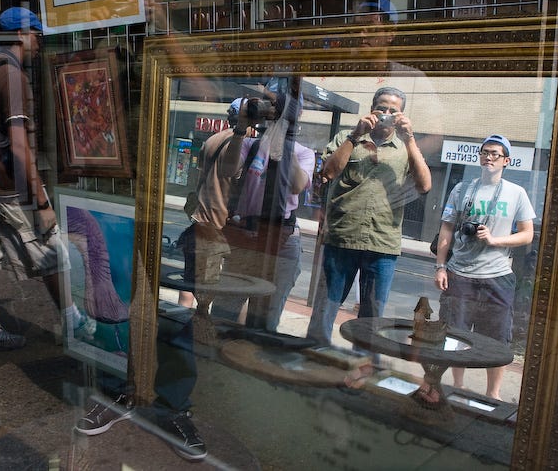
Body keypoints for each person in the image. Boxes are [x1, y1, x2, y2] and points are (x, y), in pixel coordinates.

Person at [0, 7, 90, 356]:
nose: (38, 42)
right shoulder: (12, 75)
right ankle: (73, 320)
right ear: (22, 34)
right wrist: (40, 201)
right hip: (10, 185)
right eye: (36, 34)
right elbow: (20, 145)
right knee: (50, 249)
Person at [307, 86, 432, 345]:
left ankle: (362, 369)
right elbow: (327, 173)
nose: (386, 114)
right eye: (382, 108)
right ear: (372, 109)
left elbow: (424, 186)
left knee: (372, 316)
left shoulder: (406, 147)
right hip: (342, 237)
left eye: (393, 111)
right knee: (326, 306)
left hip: (382, 243)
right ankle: (314, 356)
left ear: (401, 115)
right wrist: (355, 135)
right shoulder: (346, 137)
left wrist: (410, 139)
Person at [433, 135, 534, 400]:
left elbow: (527, 235)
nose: (489, 157)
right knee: (455, 334)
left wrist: (495, 240)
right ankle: (458, 384)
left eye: (495, 154)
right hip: (461, 273)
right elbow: (446, 229)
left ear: (506, 161)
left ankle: (494, 394)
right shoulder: (461, 189)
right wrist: (441, 267)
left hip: (497, 277)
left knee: (497, 339)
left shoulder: (516, 193)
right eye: (485, 152)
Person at [211, 77, 314, 332]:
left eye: (276, 106)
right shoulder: (250, 143)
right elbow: (227, 169)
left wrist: (284, 133)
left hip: (282, 241)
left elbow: (297, 185)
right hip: (245, 239)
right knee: (223, 313)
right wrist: (240, 129)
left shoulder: (303, 152)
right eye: (268, 105)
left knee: (264, 322)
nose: (271, 110)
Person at [176, 98, 252, 309]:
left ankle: (183, 324)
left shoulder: (211, 141)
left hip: (201, 221)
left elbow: (197, 180)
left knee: (190, 283)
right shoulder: (244, 145)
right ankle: (203, 332)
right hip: (222, 227)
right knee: (234, 292)